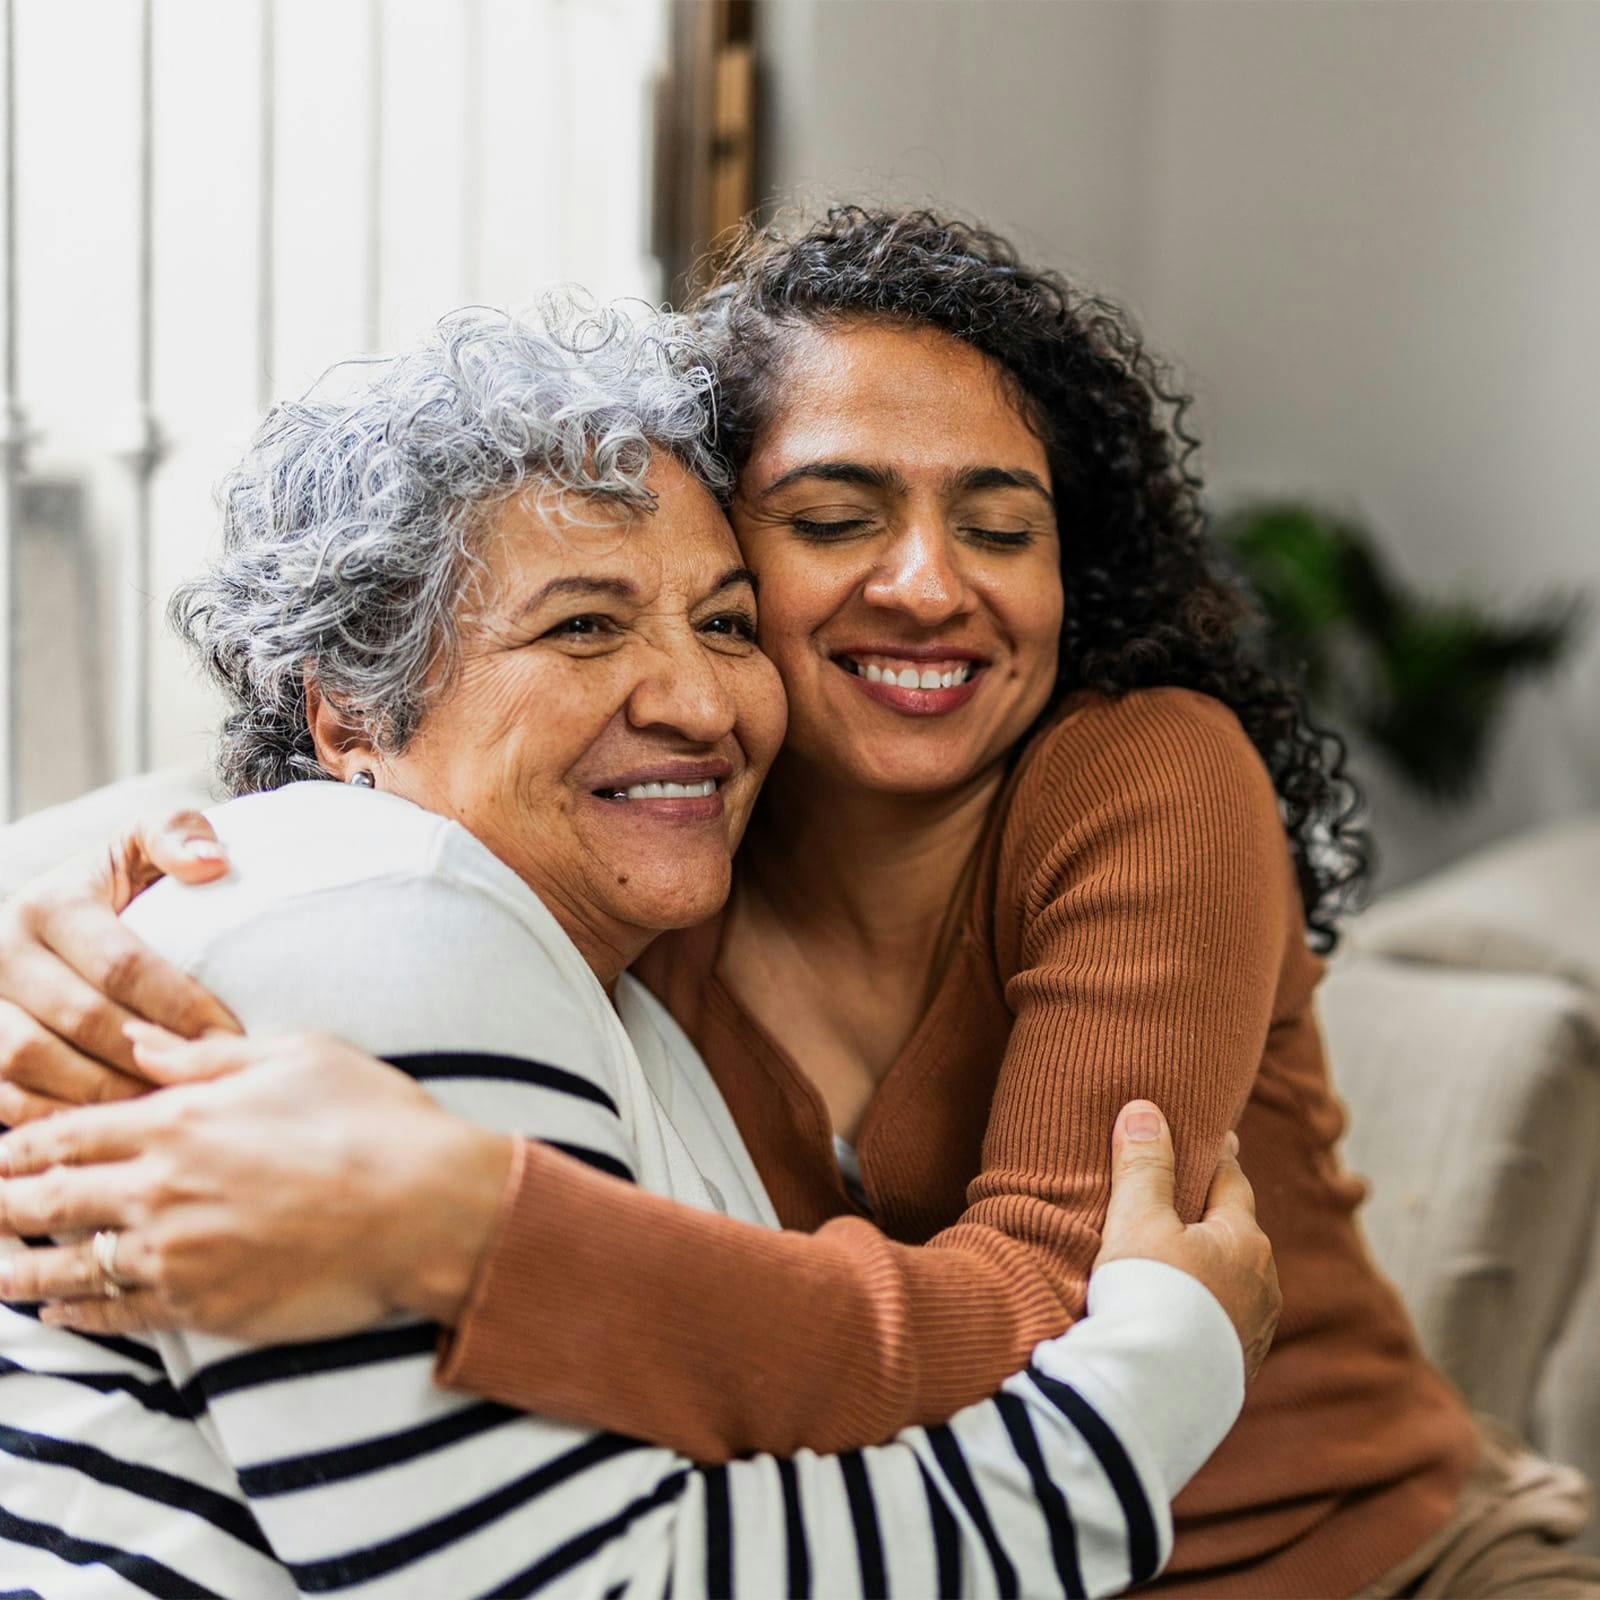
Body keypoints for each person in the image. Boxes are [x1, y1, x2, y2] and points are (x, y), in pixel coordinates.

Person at [2, 208, 1595, 1596]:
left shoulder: (1145, 779)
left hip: (1375, 1564)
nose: (927, 583)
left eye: (1002, 526)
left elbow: (1070, 1319)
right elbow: (357, 794)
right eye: (833, 519)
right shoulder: (657, 862)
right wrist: (77, 916)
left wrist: (465, 1228)